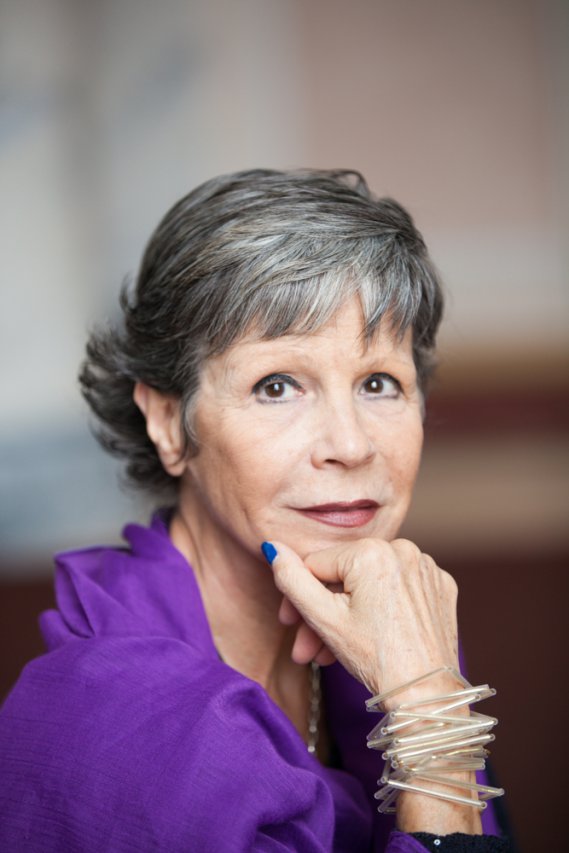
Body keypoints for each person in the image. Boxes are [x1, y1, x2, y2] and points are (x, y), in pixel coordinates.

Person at [0, 169, 510, 851]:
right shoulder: (112, 728)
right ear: (168, 422)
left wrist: (425, 703)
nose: (350, 445)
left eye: (378, 383)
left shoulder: (394, 626)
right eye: (276, 386)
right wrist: (432, 732)